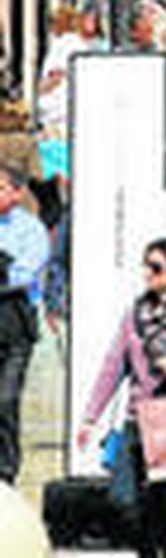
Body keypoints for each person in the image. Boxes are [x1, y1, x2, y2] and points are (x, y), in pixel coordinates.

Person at [77, 239, 166, 558]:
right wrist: (90, 416)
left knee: (165, 504)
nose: (147, 274)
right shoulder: (136, 313)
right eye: (146, 265)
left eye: (156, 267)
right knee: (125, 499)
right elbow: (114, 364)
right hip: (136, 419)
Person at [0, 163, 48, 485]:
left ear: (17, 192)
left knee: (5, 399)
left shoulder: (30, 229)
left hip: (14, 324)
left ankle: (6, 471)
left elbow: (24, 274)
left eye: (1, 187)